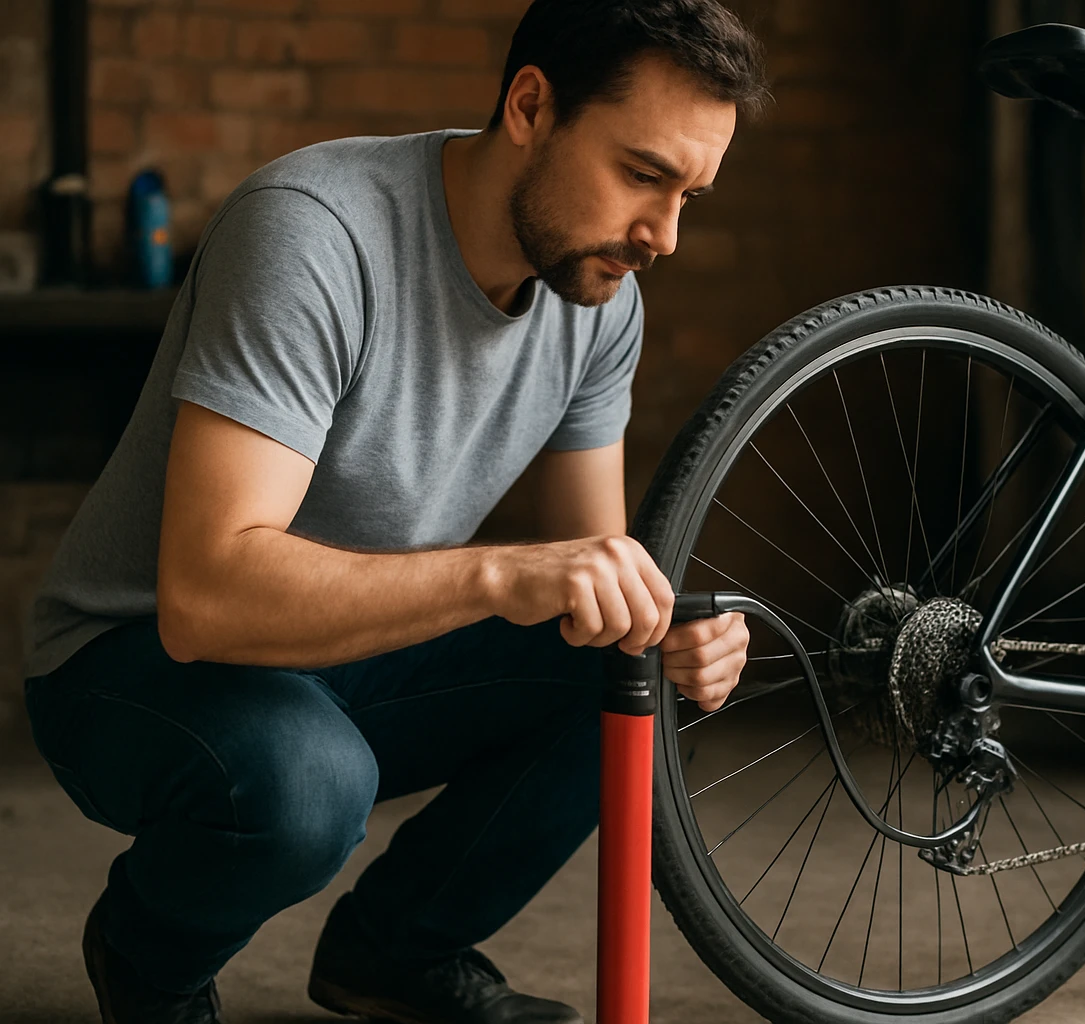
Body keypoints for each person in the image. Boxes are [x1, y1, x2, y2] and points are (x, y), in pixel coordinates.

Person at [20, 3, 770, 1022]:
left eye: (690, 195)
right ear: (530, 105)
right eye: (642, 175)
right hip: (130, 660)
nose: (664, 237)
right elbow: (207, 598)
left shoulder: (597, 303)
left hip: (337, 659)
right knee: (305, 781)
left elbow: (594, 574)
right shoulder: (314, 232)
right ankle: (147, 955)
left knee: (621, 668)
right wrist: (503, 574)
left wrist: (671, 632)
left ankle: (393, 951)